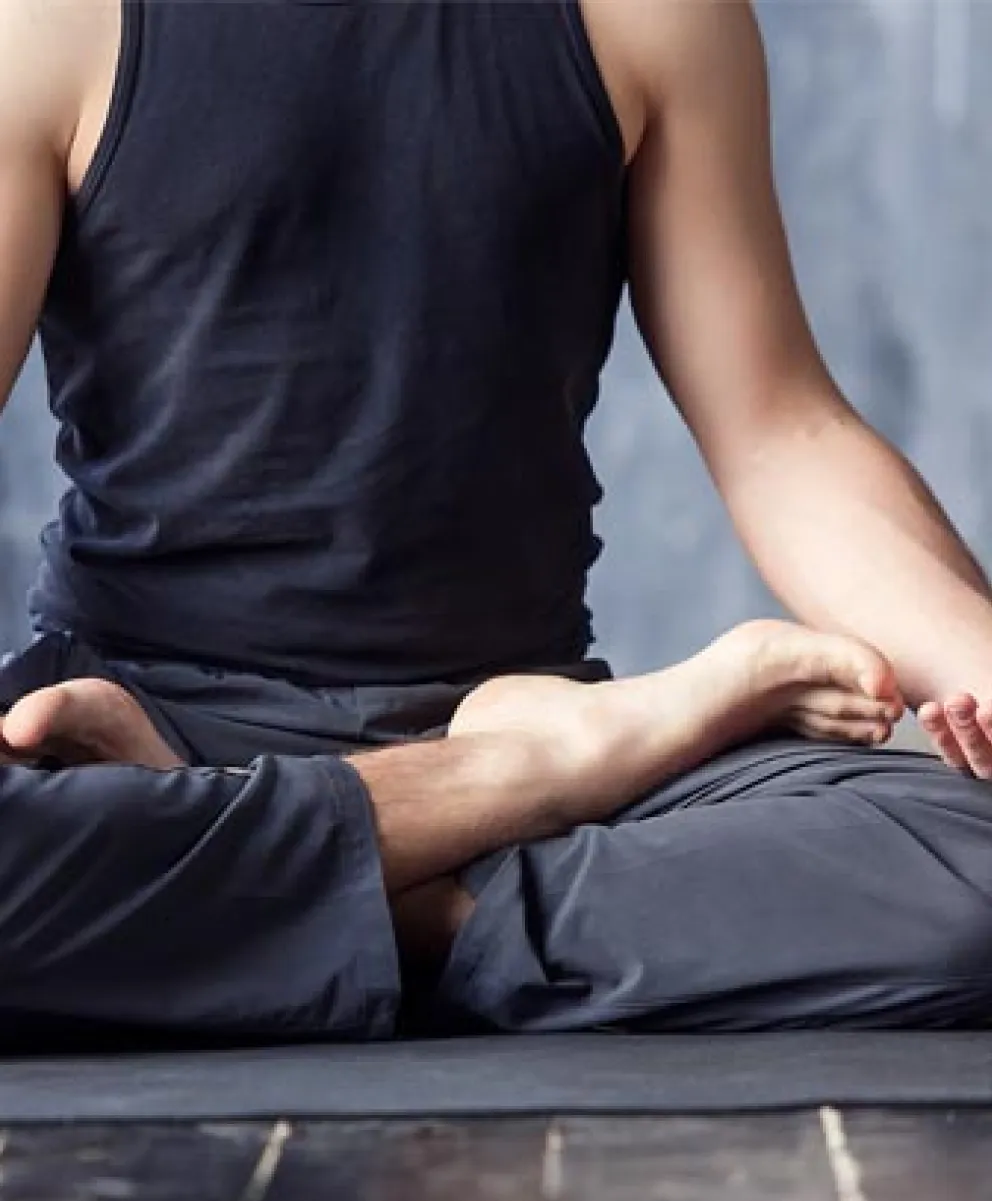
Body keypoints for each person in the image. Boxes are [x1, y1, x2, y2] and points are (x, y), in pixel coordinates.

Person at [0, 0, 991, 1044]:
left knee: (968, 863)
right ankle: (450, 882)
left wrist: (979, 656)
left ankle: (265, 910)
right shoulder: (49, 18)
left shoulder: (650, 13)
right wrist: (536, 779)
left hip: (505, 722)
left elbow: (779, 432)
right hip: (145, 737)